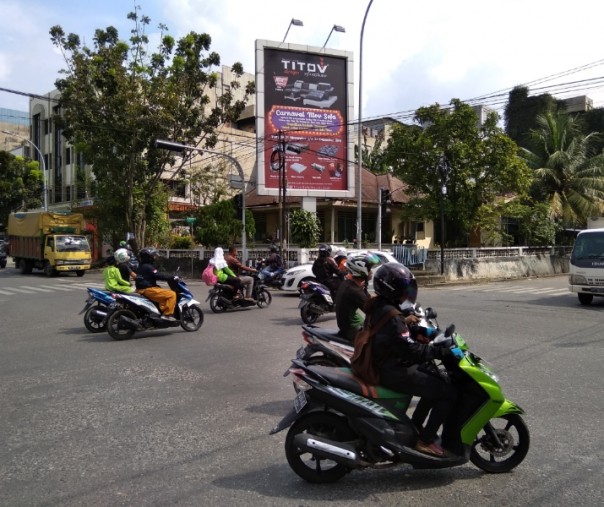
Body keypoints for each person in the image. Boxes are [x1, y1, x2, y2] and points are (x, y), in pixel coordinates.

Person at [366, 262, 463, 457]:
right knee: (448, 392)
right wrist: (440, 352)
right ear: (392, 291)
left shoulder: (380, 305)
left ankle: (416, 427)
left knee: (435, 378)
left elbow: (396, 334)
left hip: (386, 362)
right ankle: (425, 440)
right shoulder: (391, 315)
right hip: (394, 371)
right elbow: (411, 352)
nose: (407, 295)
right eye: (404, 291)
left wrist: (416, 330)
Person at [335, 252, 380, 342]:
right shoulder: (355, 291)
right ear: (361, 270)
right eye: (369, 269)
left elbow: (368, 298)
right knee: (380, 340)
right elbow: (375, 312)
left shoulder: (348, 283)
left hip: (347, 324)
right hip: (351, 330)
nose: (371, 272)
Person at [134, 247, 178, 321]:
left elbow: (156, 274)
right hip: (148, 289)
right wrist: (171, 277)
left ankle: (160, 311)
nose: (154, 257)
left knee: (162, 292)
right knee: (172, 294)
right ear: (149, 257)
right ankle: (167, 315)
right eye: (153, 255)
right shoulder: (148, 267)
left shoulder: (141, 266)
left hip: (141, 289)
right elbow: (158, 275)